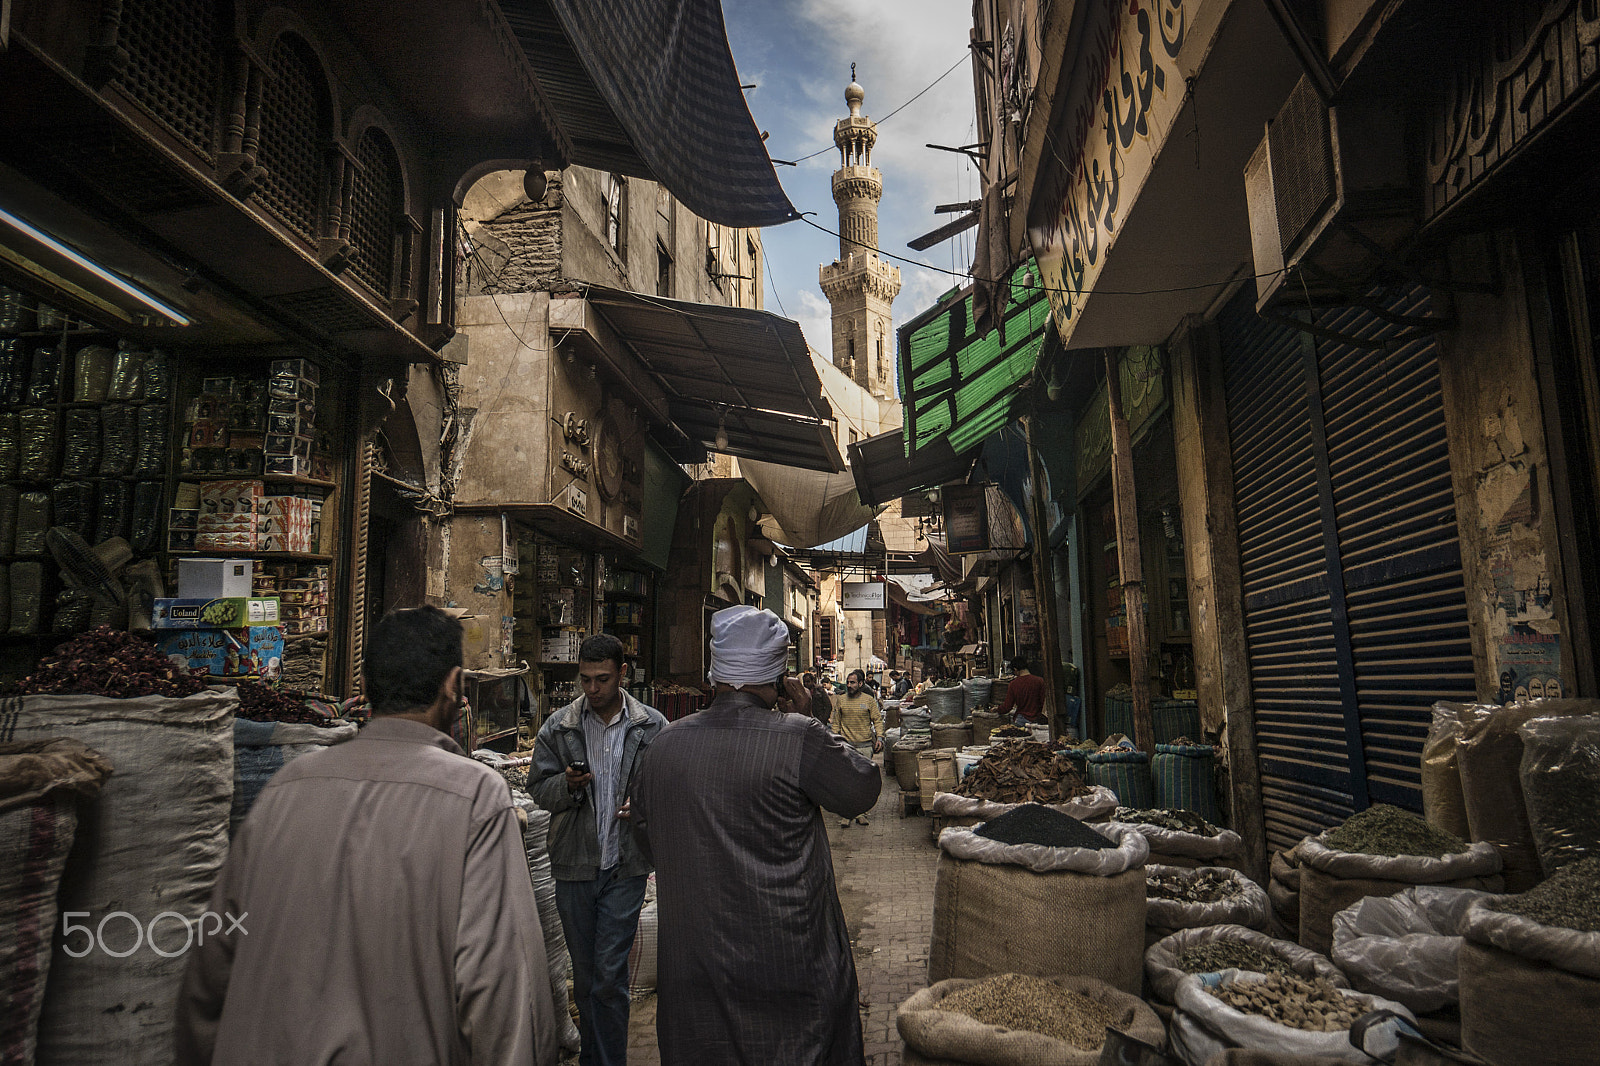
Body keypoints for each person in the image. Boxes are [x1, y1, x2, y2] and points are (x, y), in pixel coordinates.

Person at [176, 606, 558, 1065]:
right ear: (453, 685)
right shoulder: (476, 798)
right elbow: (505, 995)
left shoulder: (285, 788)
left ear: (367, 689)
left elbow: (207, 977)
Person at [630, 605, 880, 1066]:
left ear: (715, 674)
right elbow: (861, 789)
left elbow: (647, 839)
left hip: (696, 973)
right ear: (780, 675)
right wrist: (814, 718)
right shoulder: (798, 737)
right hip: (788, 964)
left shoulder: (663, 745)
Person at [530, 633, 667, 1066]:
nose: (592, 690)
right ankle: (597, 1056)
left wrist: (646, 804)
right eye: (585, 680)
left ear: (621, 674)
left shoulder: (651, 727)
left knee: (609, 977)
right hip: (574, 867)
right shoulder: (560, 726)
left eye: (602, 680)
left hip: (625, 868)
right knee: (587, 977)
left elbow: (670, 790)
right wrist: (565, 788)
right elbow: (537, 788)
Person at [832, 668, 883, 827]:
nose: (849, 685)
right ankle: (847, 814)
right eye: (848, 682)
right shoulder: (841, 700)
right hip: (846, 747)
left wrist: (880, 737)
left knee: (862, 781)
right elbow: (836, 723)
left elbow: (878, 720)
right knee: (846, 781)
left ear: (861, 684)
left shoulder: (869, 700)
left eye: (853, 682)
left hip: (865, 747)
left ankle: (860, 813)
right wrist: (834, 740)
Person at [997, 654, 1047, 727]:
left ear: (1015, 669)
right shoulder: (1040, 681)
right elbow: (1043, 702)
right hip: (1036, 720)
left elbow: (1007, 707)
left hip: (1020, 720)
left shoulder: (1013, 684)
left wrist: (997, 709)